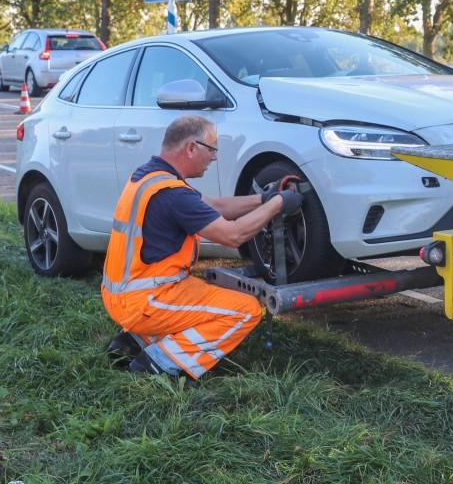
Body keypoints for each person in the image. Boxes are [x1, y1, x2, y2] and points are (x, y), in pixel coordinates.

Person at [101, 114, 302, 381]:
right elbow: (233, 235)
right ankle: (160, 364)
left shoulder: (150, 177)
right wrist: (277, 205)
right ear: (192, 147)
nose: (214, 157)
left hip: (125, 293)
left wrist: (264, 197)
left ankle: (134, 342)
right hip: (146, 301)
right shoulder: (173, 195)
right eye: (212, 148)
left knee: (203, 293)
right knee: (245, 310)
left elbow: (217, 207)